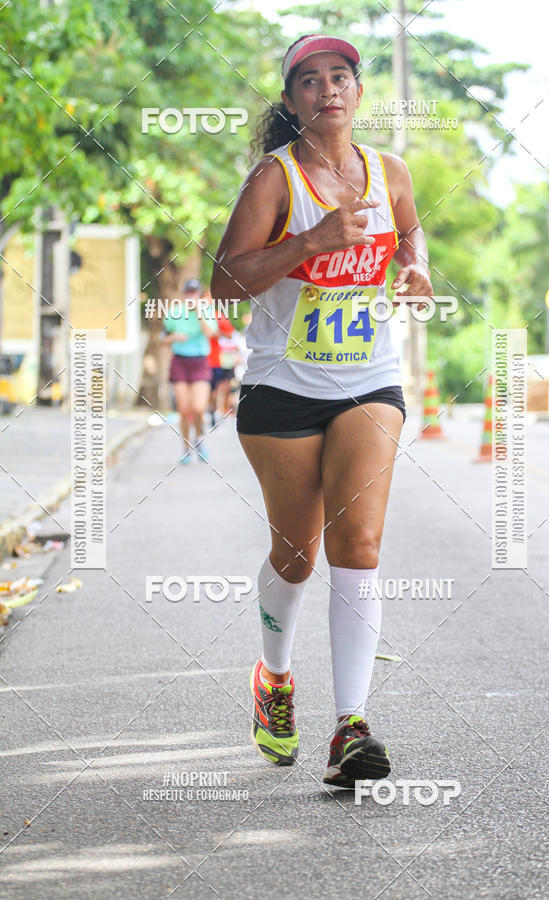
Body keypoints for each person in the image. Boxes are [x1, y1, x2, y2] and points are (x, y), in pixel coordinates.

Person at [211, 34, 433, 787]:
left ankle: (352, 726)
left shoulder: (389, 171)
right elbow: (225, 285)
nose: (327, 90)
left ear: (358, 92)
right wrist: (310, 241)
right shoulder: (273, 181)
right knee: (297, 553)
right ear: (292, 98)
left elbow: (408, 229)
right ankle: (274, 679)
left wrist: (416, 267)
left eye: (340, 76)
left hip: (369, 380)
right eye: (310, 80)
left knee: (360, 542)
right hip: (282, 387)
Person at [161, 279, 215, 463]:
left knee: (199, 408)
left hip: (199, 362)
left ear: (199, 294)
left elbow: (209, 333)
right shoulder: (174, 312)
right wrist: (173, 337)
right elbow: (163, 337)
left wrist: (199, 313)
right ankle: (185, 447)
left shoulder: (207, 311)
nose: (191, 296)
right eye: (188, 292)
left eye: (194, 292)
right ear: (184, 294)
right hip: (180, 362)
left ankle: (198, 439)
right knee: (184, 409)